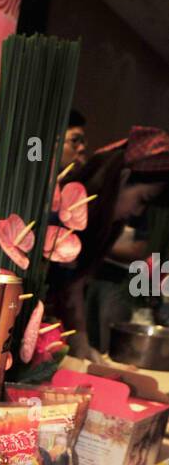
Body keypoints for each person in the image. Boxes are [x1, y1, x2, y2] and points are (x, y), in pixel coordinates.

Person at [48, 127, 169, 356]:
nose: (136, 211)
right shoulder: (65, 211)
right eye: (141, 199)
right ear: (122, 179)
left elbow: (73, 289)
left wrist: (82, 344)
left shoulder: (102, 224)